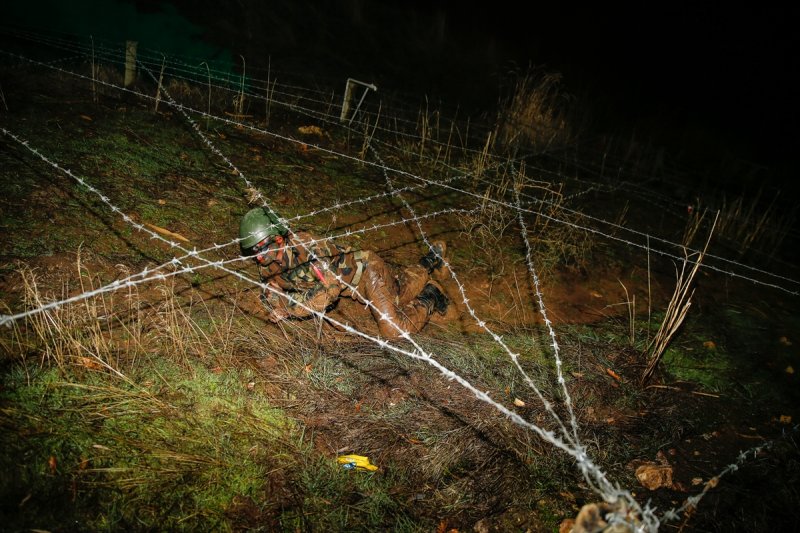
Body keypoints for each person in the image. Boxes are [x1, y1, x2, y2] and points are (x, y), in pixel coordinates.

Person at [239, 207, 449, 339]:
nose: (259, 256)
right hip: (354, 287)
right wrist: (279, 302)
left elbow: (329, 291)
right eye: (254, 250)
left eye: (264, 247)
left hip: (367, 272)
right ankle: (429, 261)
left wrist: (289, 308)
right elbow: (270, 291)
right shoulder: (267, 262)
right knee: (400, 289)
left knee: (393, 329)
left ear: (278, 238)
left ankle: (430, 294)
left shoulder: (309, 248)